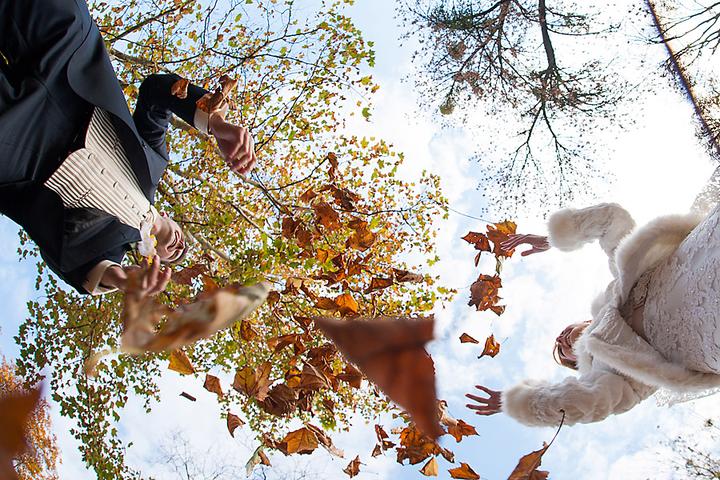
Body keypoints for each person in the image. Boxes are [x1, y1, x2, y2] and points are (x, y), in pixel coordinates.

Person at [0, 0, 256, 296]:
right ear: (171, 218)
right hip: (70, 67)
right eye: (184, 242)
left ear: (154, 257)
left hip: (20, 147)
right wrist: (215, 122)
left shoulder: (107, 251)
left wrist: (122, 280)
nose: (179, 247)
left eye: (174, 256)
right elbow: (156, 92)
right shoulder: (155, 161)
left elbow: (71, 265)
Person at [466, 201, 720, 426]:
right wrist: (524, 403)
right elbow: (586, 402)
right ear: (575, 362)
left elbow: (612, 219)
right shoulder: (606, 375)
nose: (561, 339)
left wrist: (552, 238)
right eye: (562, 351)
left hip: (704, 254)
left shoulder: (620, 282)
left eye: (562, 333)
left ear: (586, 321)